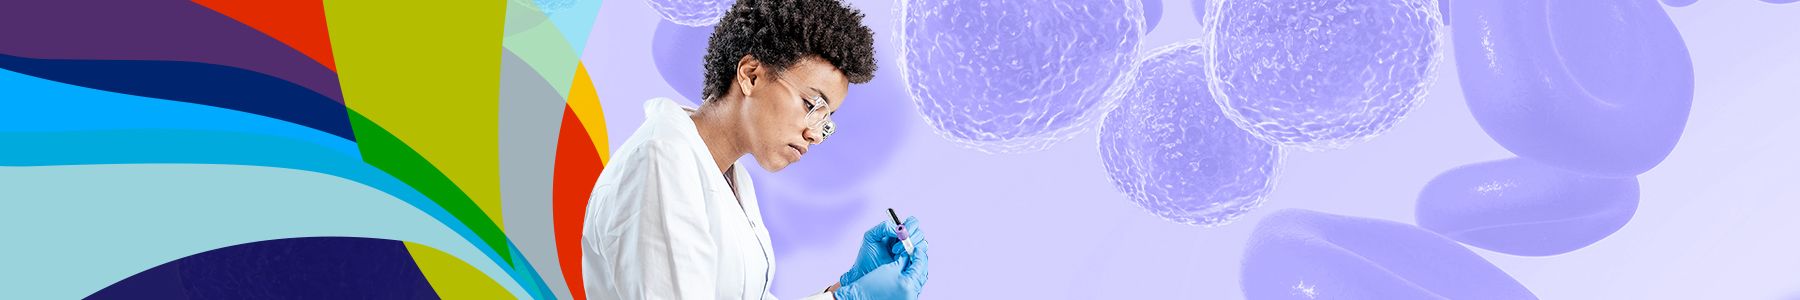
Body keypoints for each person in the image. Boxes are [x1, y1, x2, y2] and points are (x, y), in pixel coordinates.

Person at [580, 0, 929, 299]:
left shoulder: (732, 180)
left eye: (826, 121)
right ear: (750, 74)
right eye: (812, 105)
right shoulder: (661, 162)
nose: (816, 135)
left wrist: (841, 289)